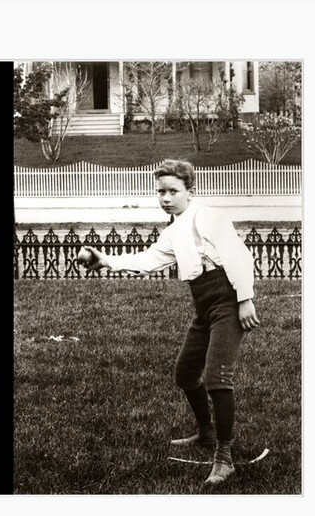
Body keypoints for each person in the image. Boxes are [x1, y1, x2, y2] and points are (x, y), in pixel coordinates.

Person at [80, 159, 260, 486]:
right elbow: (149, 260)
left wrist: (244, 299)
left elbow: (238, 255)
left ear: (190, 192)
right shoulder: (175, 230)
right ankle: (206, 434)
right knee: (186, 373)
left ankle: (225, 457)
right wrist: (107, 260)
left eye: (173, 191)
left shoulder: (208, 216)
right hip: (203, 304)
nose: (165, 197)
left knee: (218, 377)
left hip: (228, 299)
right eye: (160, 191)